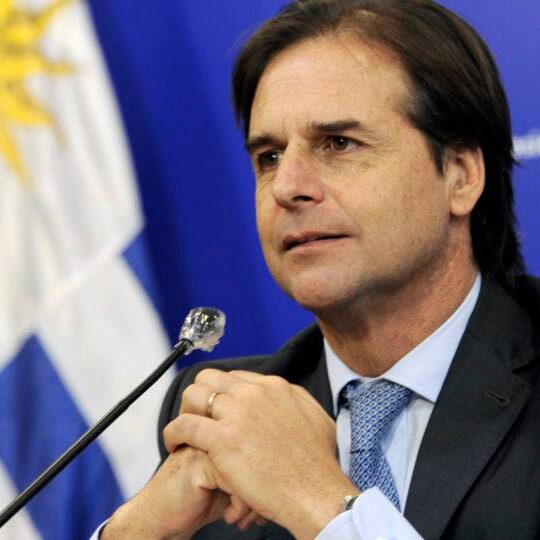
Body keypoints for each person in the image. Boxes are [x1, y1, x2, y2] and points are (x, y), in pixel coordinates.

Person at [100, 0, 540, 538]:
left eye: (338, 144)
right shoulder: (223, 410)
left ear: (461, 175)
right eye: (269, 157)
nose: (288, 187)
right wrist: (133, 532)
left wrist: (319, 501)